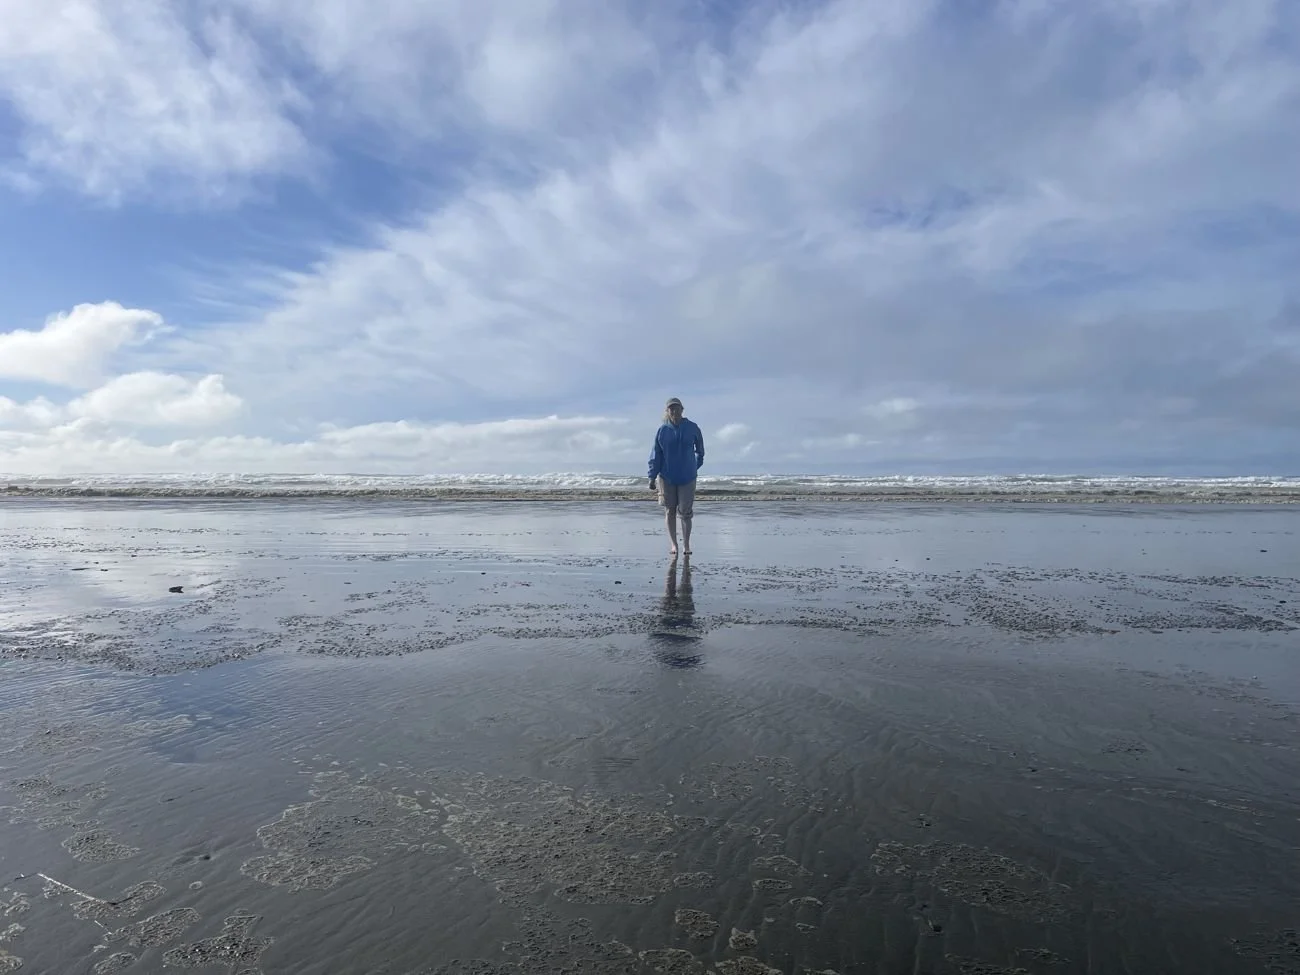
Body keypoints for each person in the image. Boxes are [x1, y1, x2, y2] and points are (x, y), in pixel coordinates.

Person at [647, 396, 705, 556]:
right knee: (669, 510)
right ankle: (674, 545)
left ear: (682, 409)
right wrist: (652, 476)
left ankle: (686, 545)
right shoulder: (662, 430)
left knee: (685, 512)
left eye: (677, 407)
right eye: (671, 408)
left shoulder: (692, 428)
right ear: (667, 411)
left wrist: (693, 467)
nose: (674, 411)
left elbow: (700, 452)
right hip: (667, 477)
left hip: (687, 477)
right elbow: (656, 454)